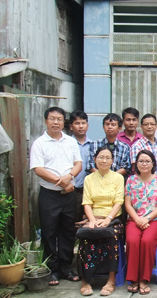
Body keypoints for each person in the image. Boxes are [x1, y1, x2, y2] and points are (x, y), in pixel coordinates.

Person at [30, 106, 82, 286]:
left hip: (69, 195)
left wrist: (69, 178)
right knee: (49, 231)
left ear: (63, 122)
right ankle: (51, 270)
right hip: (49, 194)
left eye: (59, 119)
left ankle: (66, 267)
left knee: (68, 231)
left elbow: (78, 164)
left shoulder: (70, 141)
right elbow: (38, 169)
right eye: (52, 119)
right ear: (46, 121)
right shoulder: (39, 143)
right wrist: (63, 182)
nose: (56, 122)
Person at [78, 146, 125, 296]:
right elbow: (87, 203)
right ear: (95, 160)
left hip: (113, 219)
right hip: (93, 218)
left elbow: (119, 202)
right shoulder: (89, 179)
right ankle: (85, 280)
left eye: (107, 158)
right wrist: (91, 220)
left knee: (111, 236)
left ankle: (111, 280)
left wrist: (108, 219)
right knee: (86, 237)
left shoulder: (118, 178)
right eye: (101, 157)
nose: (104, 160)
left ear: (112, 161)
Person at [124, 150, 157, 295]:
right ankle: (133, 278)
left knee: (147, 240)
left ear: (153, 164)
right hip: (135, 219)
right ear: (136, 164)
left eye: (147, 161)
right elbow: (128, 204)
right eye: (141, 161)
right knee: (132, 240)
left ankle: (144, 278)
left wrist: (147, 218)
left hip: (155, 219)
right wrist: (137, 219)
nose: (144, 164)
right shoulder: (131, 180)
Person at [70, 110, 92, 222]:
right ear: (71, 126)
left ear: (87, 126)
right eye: (77, 123)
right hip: (72, 187)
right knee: (73, 218)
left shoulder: (93, 145)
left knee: (88, 218)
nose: (81, 126)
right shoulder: (67, 144)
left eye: (83, 123)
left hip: (89, 188)